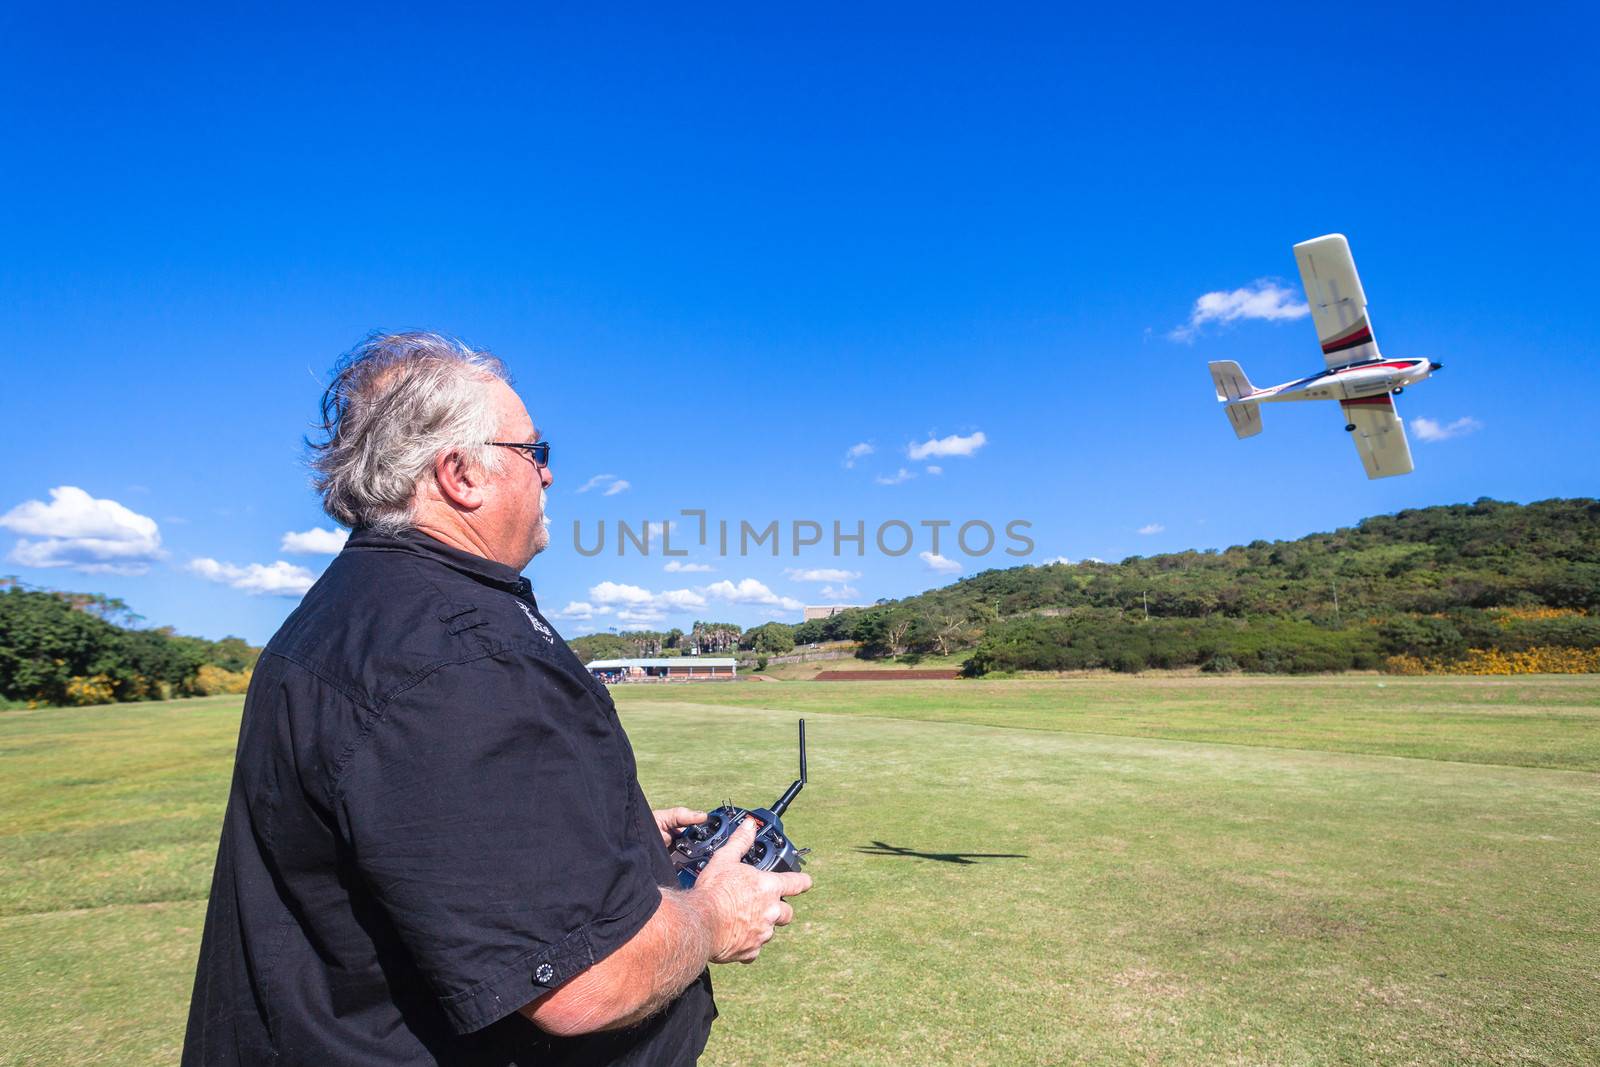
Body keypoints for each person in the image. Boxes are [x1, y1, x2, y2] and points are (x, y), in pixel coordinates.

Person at [183, 332, 811, 1066]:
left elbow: (427, 840)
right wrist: (711, 916)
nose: (547, 478)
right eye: (533, 453)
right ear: (460, 473)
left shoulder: (348, 615)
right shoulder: (457, 655)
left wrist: (616, 829)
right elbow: (583, 983)